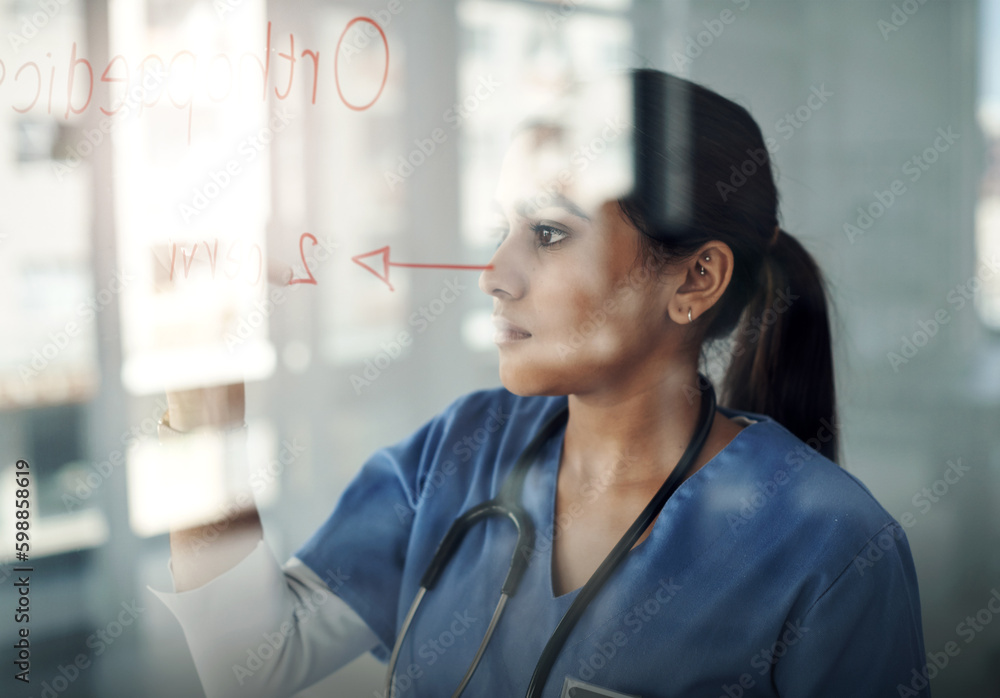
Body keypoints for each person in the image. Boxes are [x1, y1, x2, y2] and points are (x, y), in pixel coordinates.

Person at [150, 69, 928, 698]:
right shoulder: (461, 450)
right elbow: (252, 667)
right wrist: (202, 403)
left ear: (695, 279)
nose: (494, 274)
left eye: (549, 232)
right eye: (504, 228)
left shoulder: (834, 547)